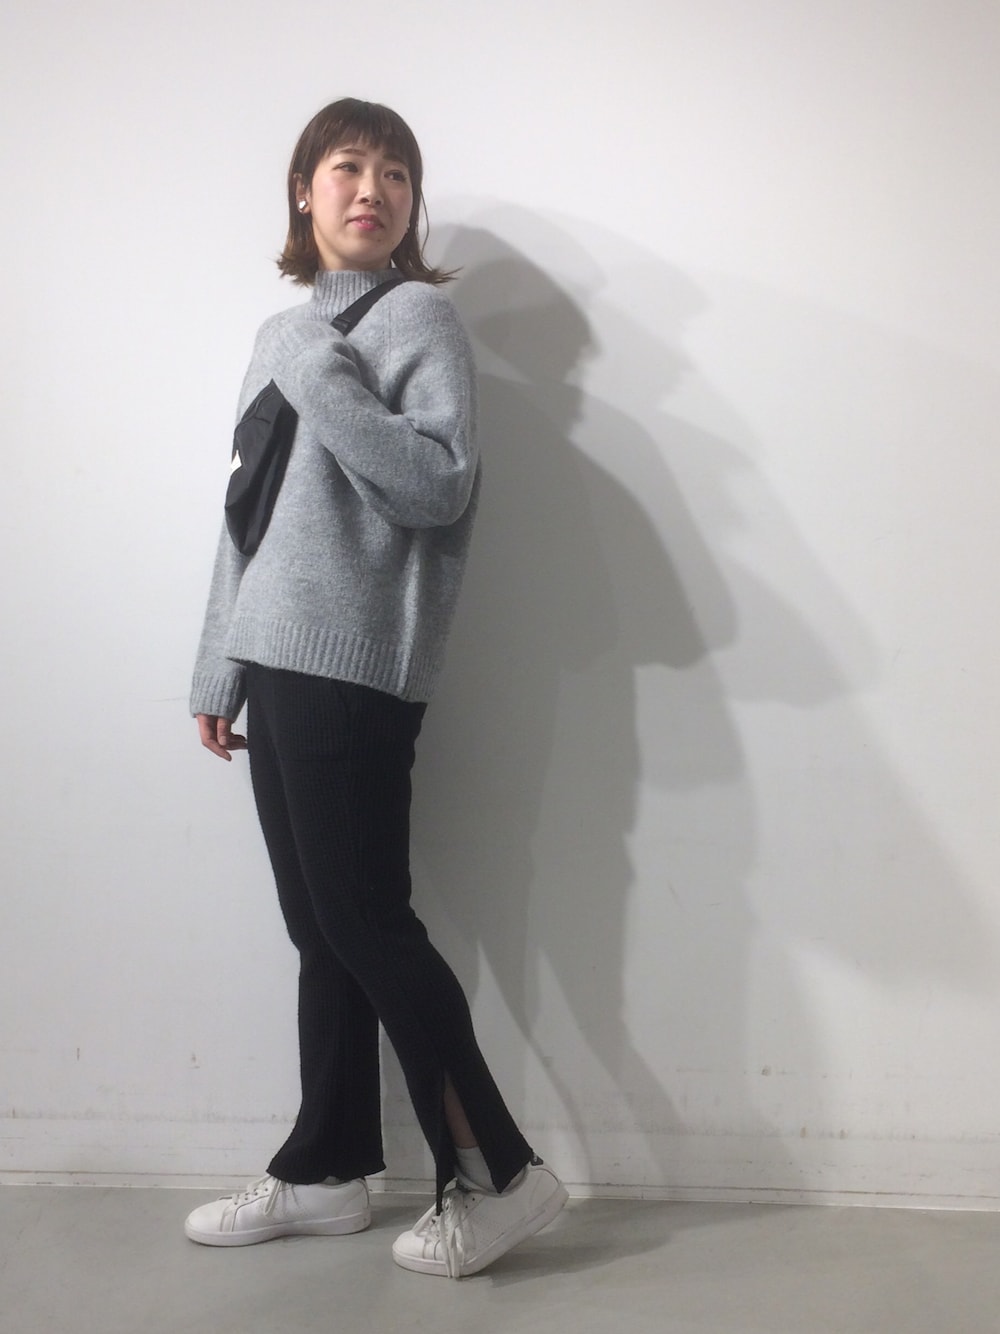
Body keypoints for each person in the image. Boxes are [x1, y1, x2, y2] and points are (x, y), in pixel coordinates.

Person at [185, 98, 566, 1278]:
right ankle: (327, 1168)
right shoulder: (280, 334)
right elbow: (246, 517)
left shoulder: (416, 318)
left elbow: (437, 484)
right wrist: (219, 663)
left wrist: (326, 376)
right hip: (276, 658)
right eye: (348, 166)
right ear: (303, 190)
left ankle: (501, 1176)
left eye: (396, 173)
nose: (373, 188)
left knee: (366, 922)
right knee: (322, 929)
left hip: (356, 661)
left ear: (411, 204)